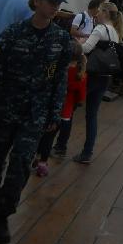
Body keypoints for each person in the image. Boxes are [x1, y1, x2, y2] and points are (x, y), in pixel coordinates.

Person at [0, 0, 71, 244]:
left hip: (34, 115)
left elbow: (60, 80)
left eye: (58, 3)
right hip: (2, 109)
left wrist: (54, 114)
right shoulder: (13, 33)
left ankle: (2, 215)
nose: (55, 6)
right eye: (51, 1)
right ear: (36, 1)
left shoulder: (61, 40)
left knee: (21, 165)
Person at [73, 1, 123, 164]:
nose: (97, 14)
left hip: (92, 74)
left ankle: (59, 145)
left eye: (100, 11)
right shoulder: (116, 32)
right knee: (92, 115)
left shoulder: (100, 29)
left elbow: (87, 49)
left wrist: (76, 44)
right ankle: (87, 152)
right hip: (105, 77)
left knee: (70, 106)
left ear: (106, 14)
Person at [34, 41, 87, 169]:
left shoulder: (59, 68)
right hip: (66, 112)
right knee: (54, 135)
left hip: (51, 108)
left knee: (43, 135)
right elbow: (81, 95)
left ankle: (36, 156)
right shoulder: (81, 74)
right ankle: (48, 158)